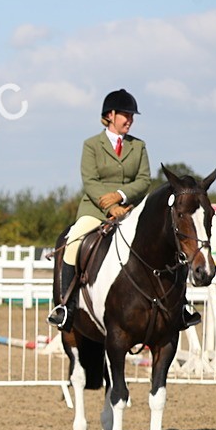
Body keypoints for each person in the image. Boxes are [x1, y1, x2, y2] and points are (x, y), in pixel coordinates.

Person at [47, 89, 200, 331]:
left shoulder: (138, 146)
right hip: (95, 210)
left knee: (168, 241)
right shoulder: (91, 145)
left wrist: (121, 197)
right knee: (74, 241)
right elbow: (90, 180)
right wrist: (110, 205)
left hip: (130, 210)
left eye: (131, 116)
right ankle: (65, 305)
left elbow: (143, 180)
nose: (130, 120)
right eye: (125, 115)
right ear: (110, 115)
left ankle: (182, 305)